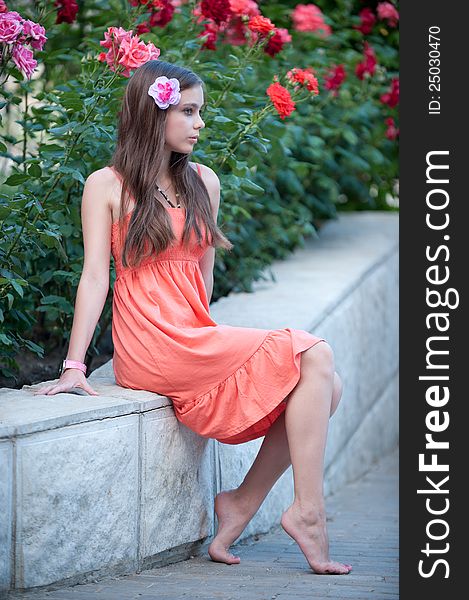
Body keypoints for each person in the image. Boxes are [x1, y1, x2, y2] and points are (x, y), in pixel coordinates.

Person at [34, 60, 351, 575]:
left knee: (326, 385)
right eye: (188, 111)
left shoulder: (205, 180)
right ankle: (308, 513)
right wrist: (74, 365)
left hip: (193, 335)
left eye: (200, 111)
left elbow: (202, 282)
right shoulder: (106, 185)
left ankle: (242, 503)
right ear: (152, 114)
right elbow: (95, 277)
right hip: (150, 344)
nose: (200, 123)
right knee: (313, 351)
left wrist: (218, 347)